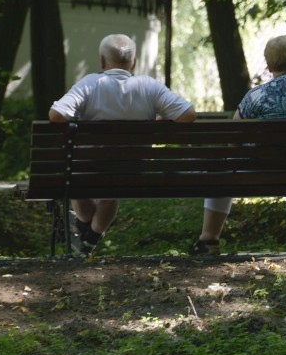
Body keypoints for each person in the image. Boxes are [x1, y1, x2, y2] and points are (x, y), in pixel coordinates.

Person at [49, 33, 197, 255]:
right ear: (134, 62)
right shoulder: (149, 86)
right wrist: (159, 120)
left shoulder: (90, 83)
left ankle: (85, 229)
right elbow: (188, 115)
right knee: (111, 188)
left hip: (86, 169)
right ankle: (91, 238)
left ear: (102, 61)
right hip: (132, 169)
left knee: (76, 179)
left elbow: (56, 115)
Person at [189, 35, 286, 256]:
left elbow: (233, 137)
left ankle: (209, 240)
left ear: (269, 64)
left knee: (221, 169)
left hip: (260, 169)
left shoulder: (256, 96)